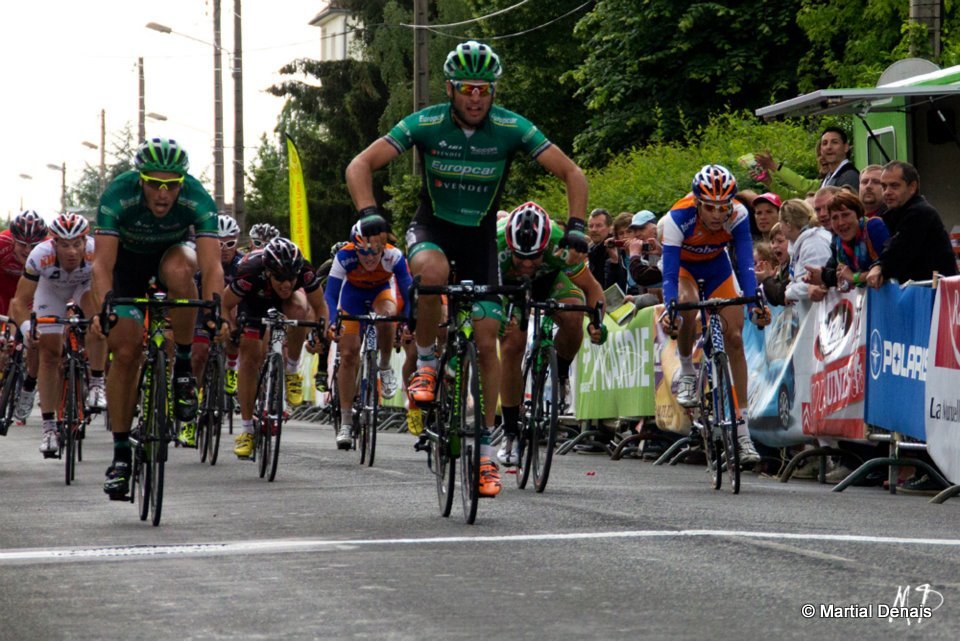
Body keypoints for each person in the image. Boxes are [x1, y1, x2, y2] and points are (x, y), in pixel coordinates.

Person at [345, 40, 589, 497]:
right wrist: (368, 212)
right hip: (433, 228)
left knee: (485, 341)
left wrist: (576, 226)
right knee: (432, 275)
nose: (476, 98)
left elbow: (573, 174)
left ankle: (485, 453)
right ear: (450, 89)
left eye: (484, 89)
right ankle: (429, 363)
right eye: (466, 89)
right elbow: (360, 164)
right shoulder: (427, 122)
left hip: (481, 240)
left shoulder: (511, 127)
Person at [91, 137, 225, 500]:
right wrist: (105, 305)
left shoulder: (197, 197)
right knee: (127, 350)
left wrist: (216, 308)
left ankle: (181, 366)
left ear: (182, 182)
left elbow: (212, 265)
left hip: (171, 257)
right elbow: (101, 264)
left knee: (182, 269)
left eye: (171, 185)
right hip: (127, 267)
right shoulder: (118, 194)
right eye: (154, 183)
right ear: (140, 179)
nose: (163, 194)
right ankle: (120, 456)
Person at [660, 165, 769, 465]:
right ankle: (687, 370)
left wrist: (754, 305)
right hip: (683, 269)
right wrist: (672, 308)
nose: (717, 215)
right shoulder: (677, 219)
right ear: (697, 202)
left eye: (723, 207)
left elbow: (746, 263)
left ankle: (744, 434)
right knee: (689, 302)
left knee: (734, 337)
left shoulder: (739, 215)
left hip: (716, 265)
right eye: (710, 207)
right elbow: (668, 274)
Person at [495, 202, 605, 465]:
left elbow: (592, 288)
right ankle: (510, 431)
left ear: (547, 246)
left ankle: (561, 373)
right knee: (511, 345)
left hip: (551, 279)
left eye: (534, 256)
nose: (526, 262)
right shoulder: (495, 245)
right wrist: (498, 318)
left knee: (573, 312)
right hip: (507, 286)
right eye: (520, 256)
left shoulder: (562, 246)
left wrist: (597, 322)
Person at [8, 213, 107, 456]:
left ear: (86, 242)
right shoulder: (40, 256)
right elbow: (19, 303)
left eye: (77, 244)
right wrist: (27, 330)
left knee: (97, 319)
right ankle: (49, 429)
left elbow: (107, 290)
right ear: (54, 244)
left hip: (84, 287)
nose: (72, 251)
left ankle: (96, 382)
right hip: (51, 291)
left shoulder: (97, 252)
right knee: (50, 353)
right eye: (64, 245)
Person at [222, 237, 327, 459]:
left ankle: (291, 370)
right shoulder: (251, 272)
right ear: (269, 272)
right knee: (249, 356)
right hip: (254, 300)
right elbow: (226, 305)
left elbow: (320, 308)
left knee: (300, 309)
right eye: (281, 277)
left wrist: (320, 335)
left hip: (285, 303)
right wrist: (230, 329)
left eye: (291, 277)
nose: (287, 283)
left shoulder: (304, 271)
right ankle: (247, 430)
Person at [324, 222, 412, 449]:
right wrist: (333, 322)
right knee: (349, 355)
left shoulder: (394, 256)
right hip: (351, 297)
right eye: (363, 252)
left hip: (380, 293)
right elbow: (331, 295)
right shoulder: (344, 257)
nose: (370, 257)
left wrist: (409, 321)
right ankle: (345, 422)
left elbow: (408, 292)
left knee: (387, 315)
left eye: (375, 251)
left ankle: (384, 364)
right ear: (355, 248)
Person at [177, 214, 245, 447]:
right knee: (198, 355)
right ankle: (189, 420)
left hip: (230, 308)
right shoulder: (198, 260)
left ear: (237, 242)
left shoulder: (243, 264)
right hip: (202, 308)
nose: (224, 249)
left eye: (230, 243)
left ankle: (232, 368)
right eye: (219, 243)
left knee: (237, 323)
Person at [865, 160, 957, 288]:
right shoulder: (889, 215)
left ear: (912, 187)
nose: (887, 192)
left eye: (894, 186)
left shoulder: (921, 213)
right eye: (884, 186)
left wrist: (879, 266)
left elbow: (900, 250)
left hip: (933, 297)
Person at [1, 211, 48, 422]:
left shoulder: (49, 249)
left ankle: (30, 382)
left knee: (35, 340)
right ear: (13, 239)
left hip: (31, 296)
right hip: (3, 293)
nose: (28, 251)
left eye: (34, 245)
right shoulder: (2, 245)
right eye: (22, 245)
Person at [805, 191, 889, 293]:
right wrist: (821, 280)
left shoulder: (873, 227)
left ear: (858, 215)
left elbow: (888, 266)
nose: (841, 222)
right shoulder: (838, 243)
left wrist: (854, 278)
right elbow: (838, 273)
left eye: (845, 215)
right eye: (835, 218)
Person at [756, 126, 860, 193]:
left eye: (835, 142)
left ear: (846, 147)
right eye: (824, 143)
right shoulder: (828, 177)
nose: (829, 147)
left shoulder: (849, 176)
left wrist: (774, 166)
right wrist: (770, 182)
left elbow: (803, 185)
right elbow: (795, 197)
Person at [778, 199, 831, 306]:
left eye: (781, 223)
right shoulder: (799, 244)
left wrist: (789, 292)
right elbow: (798, 279)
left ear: (788, 224)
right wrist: (790, 288)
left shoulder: (814, 243)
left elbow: (817, 283)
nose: (779, 227)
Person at [755, 222, 790, 306]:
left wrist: (767, 279)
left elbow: (780, 296)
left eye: (780, 241)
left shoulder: (794, 266)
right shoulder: (782, 269)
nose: (774, 246)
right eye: (772, 242)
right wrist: (771, 279)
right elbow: (774, 300)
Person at [586, 208, 615, 288]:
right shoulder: (591, 250)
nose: (594, 230)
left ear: (610, 228)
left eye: (599, 226)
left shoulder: (614, 249)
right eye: (591, 226)